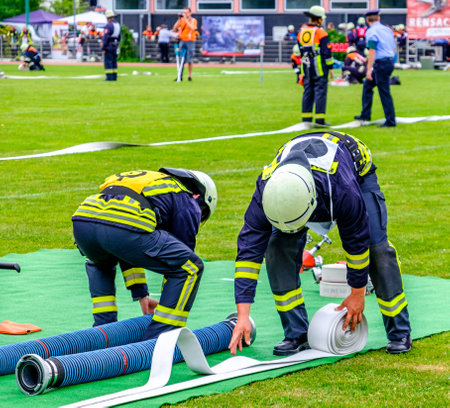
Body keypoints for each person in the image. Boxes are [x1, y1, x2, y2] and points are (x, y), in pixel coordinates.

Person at [228, 130, 412, 357]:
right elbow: (248, 255)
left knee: (377, 249)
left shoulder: (343, 191)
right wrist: (243, 315)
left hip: (355, 169)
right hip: (302, 175)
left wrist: (357, 292)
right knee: (277, 248)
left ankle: (399, 332)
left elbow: (356, 243)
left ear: (312, 204)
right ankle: (296, 333)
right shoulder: (266, 191)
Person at [72, 168, 217, 341]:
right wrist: (166, 306)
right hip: (121, 227)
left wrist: (142, 295)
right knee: (190, 268)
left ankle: (103, 334)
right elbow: (178, 261)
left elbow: (127, 251)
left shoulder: (152, 184)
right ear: (199, 197)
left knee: (99, 262)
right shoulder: (186, 197)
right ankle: (159, 339)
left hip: (84, 224)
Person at [354, 9, 396, 127]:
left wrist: (368, 69)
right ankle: (365, 115)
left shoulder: (371, 31)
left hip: (380, 63)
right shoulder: (387, 29)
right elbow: (392, 47)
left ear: (367, 20)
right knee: (367, 86)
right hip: (388, 62)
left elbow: (372, 50)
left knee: (384, 92)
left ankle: (390, 121)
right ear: (379, 18)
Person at [297, 6, 334, 125]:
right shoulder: (321, 32)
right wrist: (330, 67)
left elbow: (301, 51)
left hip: (306, 66)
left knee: (308, 92)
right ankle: (319, 120)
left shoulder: (301, 32)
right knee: (320, 92)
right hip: (319, 67)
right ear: (318, 19)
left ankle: (306, 119)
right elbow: (326, 52)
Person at [172, 7, 198, 81]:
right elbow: (174, 28)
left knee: (190, 59)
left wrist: (186, 20)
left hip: (190, 41)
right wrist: (179, 19)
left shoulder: (193, 20)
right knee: (180, 59)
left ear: (190, 13)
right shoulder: (182, 20)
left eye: (186, 12)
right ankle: (180, 75)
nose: (185, 14)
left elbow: (192, 28)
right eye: (184, 12)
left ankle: (189, 76)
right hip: (182, 40)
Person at [102, 10, 121, 81]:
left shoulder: (109, 25)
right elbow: (119, 37)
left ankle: (109, 77)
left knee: (108, 62)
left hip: (109, 45)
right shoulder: (117, 24)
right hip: (115, 45)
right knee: (114, 62)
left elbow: (106, 37)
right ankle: (114, 77)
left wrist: (103, 47)